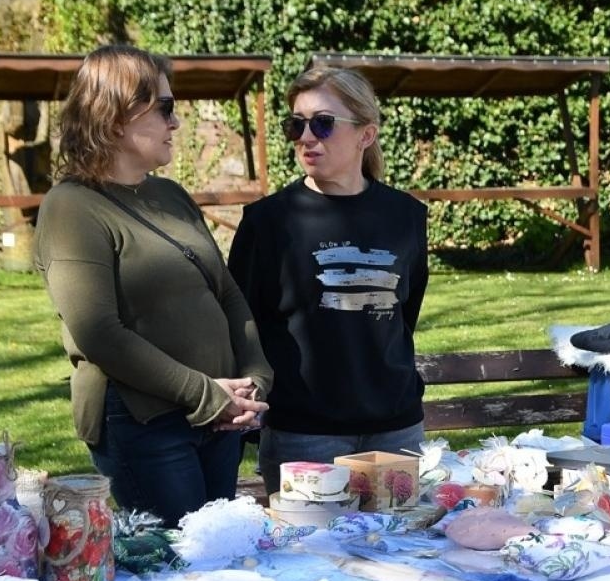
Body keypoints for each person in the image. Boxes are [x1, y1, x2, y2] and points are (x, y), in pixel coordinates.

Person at [35, 44, 272, 526]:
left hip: (221, 417)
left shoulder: (170, 195)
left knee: (220, 557)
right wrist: (207, 394)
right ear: (116, 115)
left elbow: (225, 292)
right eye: (164, 108)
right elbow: (99, 332)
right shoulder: (72, 207)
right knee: (178, 572)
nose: (175, 122)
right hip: (145, 424)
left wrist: (254, 378)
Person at [228, 66, 428, 496]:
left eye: (322, 123)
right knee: (308, 559)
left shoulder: (406, 216)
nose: (305, 136)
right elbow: (242, 324)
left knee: (404, 554)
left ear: (366, 134)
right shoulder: (267, 222)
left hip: (396, 431)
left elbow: (403, 315)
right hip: (303, 434)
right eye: (296, 124)